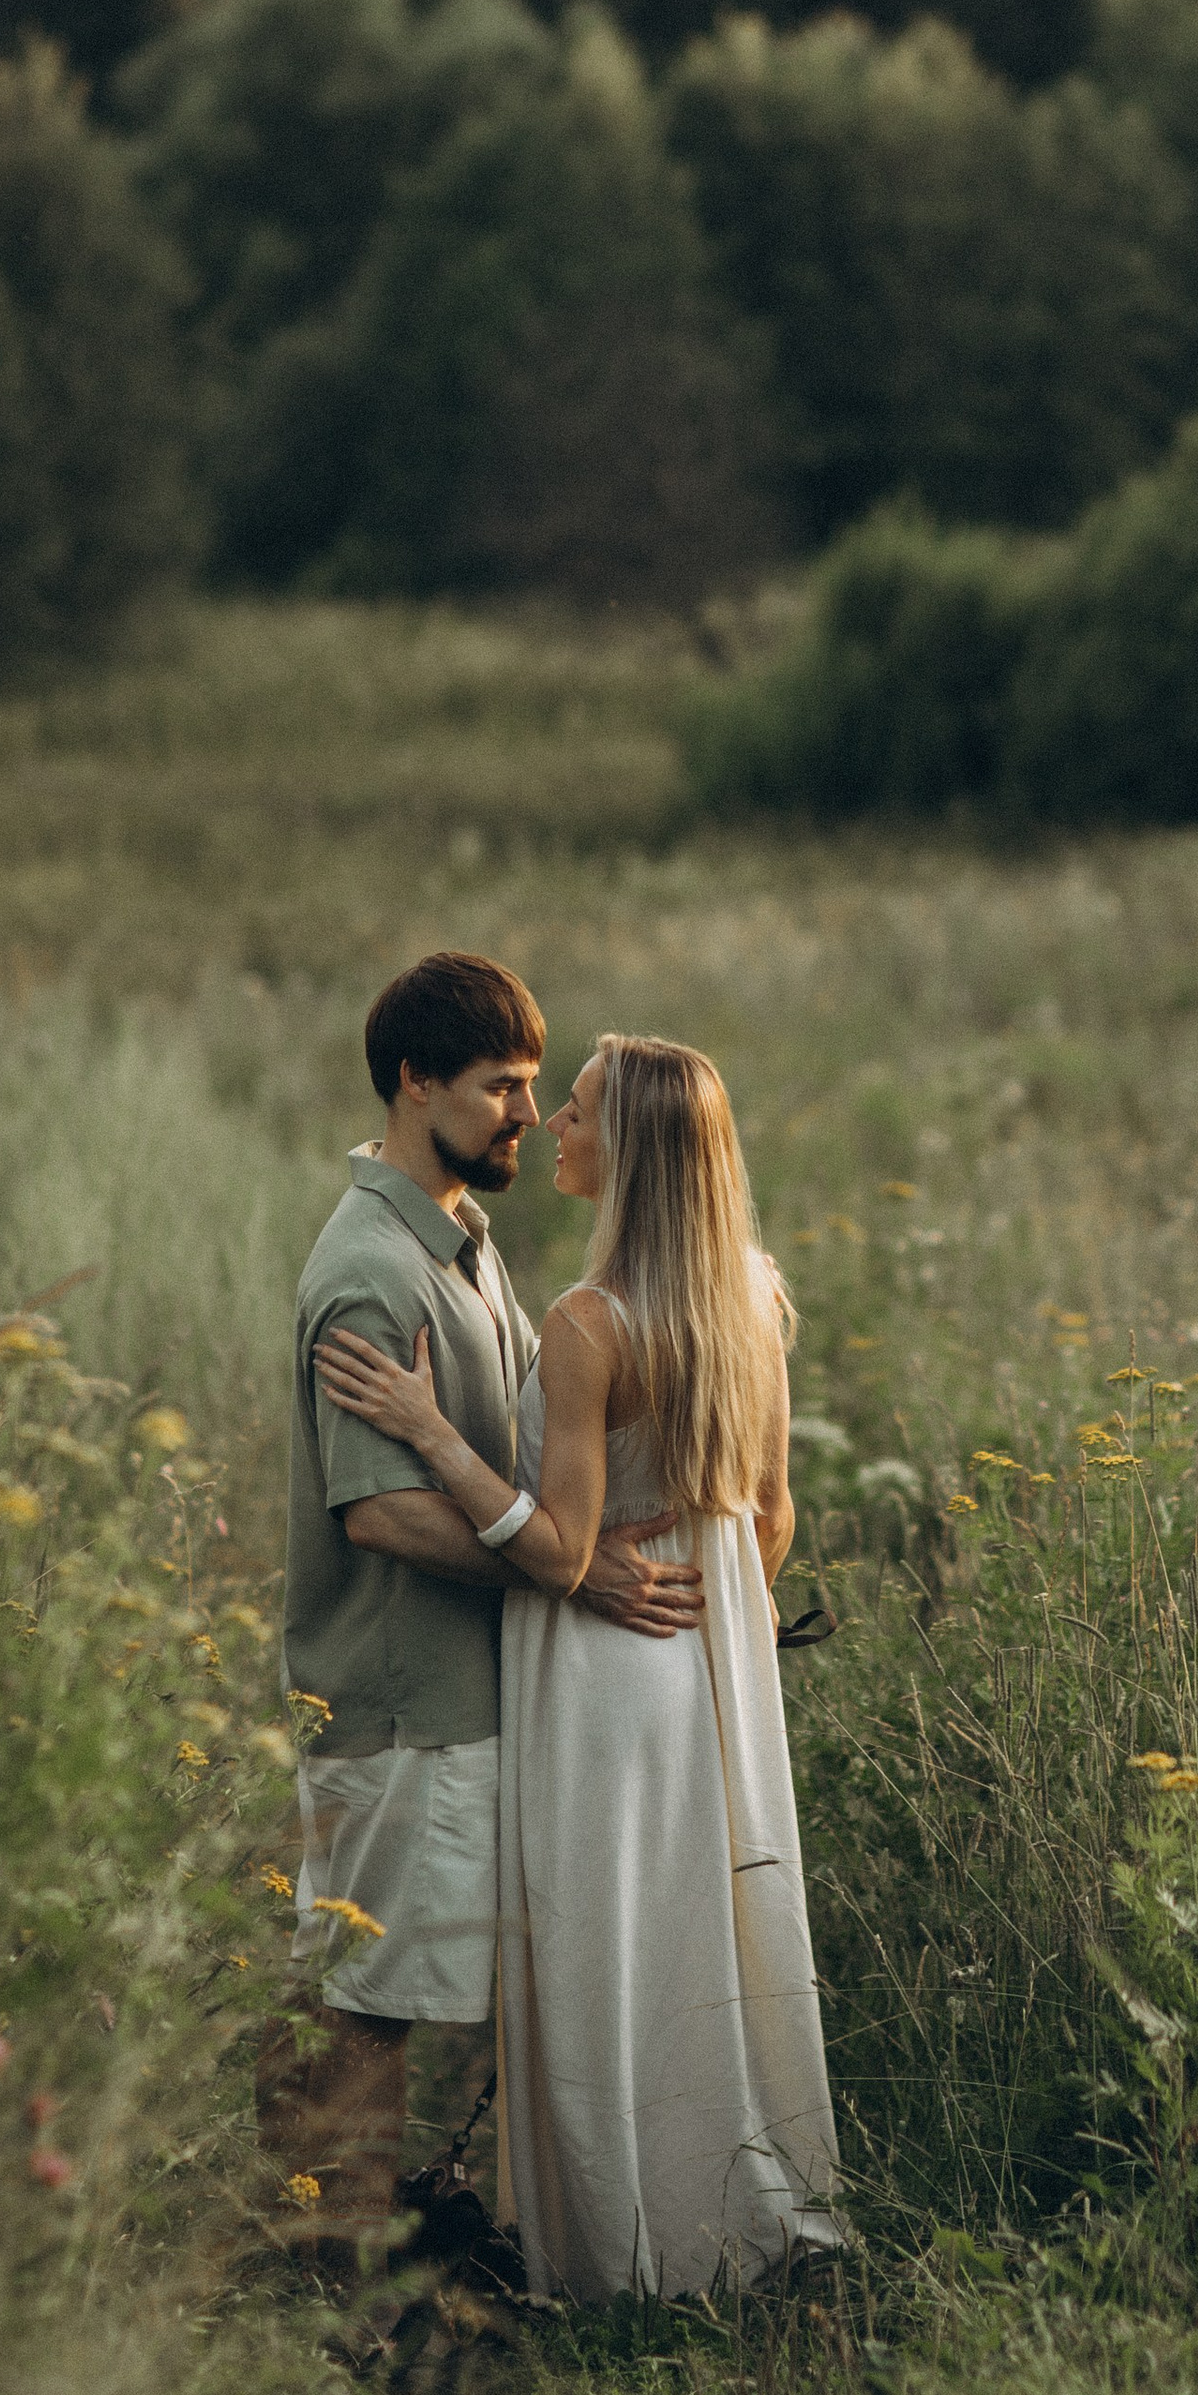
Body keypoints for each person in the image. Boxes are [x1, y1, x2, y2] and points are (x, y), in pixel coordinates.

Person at [316, 1030, 841, 2300]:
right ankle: (726, 2230)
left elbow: (557, 1544)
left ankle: (618, 2261)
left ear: (638, 1151)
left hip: (601, 1673)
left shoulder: (590, 1320)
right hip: (705, 1667)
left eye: (584, 1111)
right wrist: (720, 1625)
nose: (554, 1123)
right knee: (695, 1952)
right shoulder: (752, 1296)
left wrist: (432, 1430)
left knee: (599, 1964)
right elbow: (770, 1516)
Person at [269, 955, 705, 2258]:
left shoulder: (458, 1238)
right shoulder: (370, 1274)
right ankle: (329, 2279)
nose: (528, 1113)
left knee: (398, 1984)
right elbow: (381, 1512)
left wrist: (581, 1544)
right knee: (367, 2000)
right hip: (403, 1700)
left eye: (532, 1086)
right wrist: (558, 1562)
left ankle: (380, 2250)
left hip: (463, 1694)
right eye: (500, 1087)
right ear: (414, 1083)